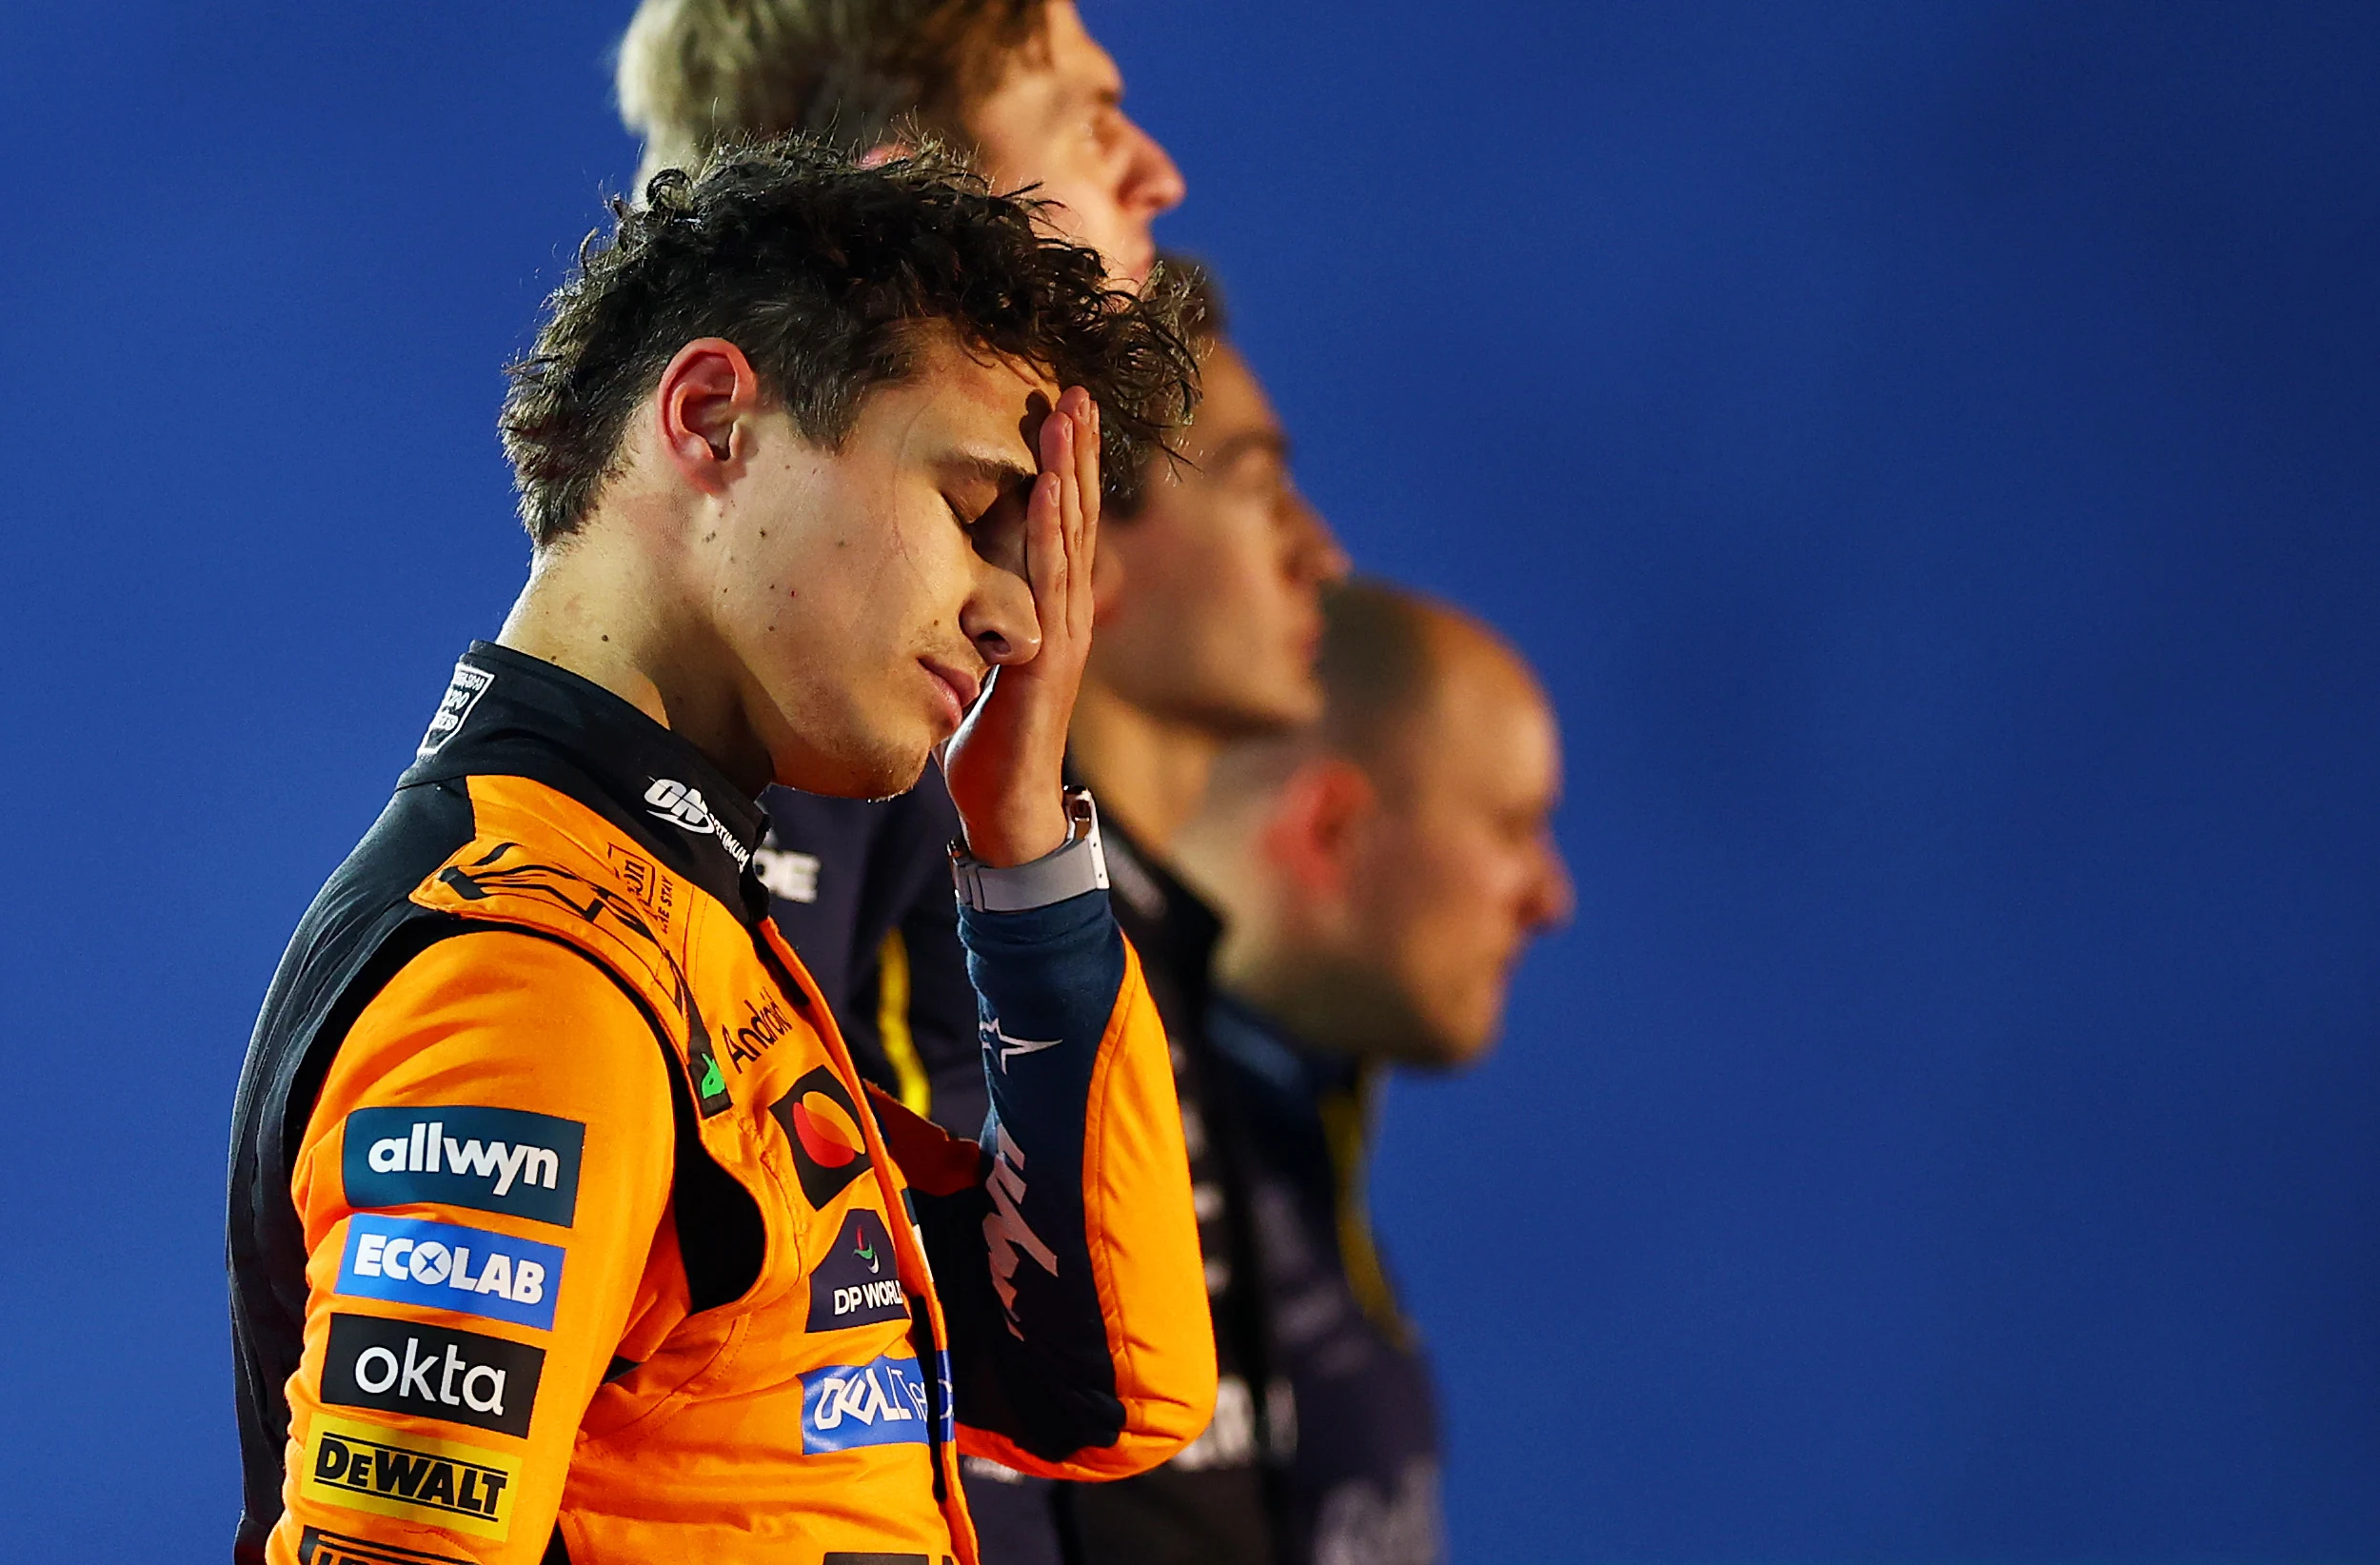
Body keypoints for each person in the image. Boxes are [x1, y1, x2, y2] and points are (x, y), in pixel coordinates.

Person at [223, 142, 1219, 1565]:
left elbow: (1098, 1387)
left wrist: (1018, 850)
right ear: (708, 419)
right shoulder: (536, 974)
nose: (1017, 616)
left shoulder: (669, 934)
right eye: (964, 506)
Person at [617, 10, 1347, 1563]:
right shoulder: (822, 715)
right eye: (1085, 122)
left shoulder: (930, 704)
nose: (1157, 169)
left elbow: (1104, 1368)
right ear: (908, 198)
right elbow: (730, 1358)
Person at [1167, 581, 1577, 1565]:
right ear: (1330, 831)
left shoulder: (1295, 1129)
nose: (1550, 899)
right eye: (1514, 827)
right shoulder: (1075, 1155)